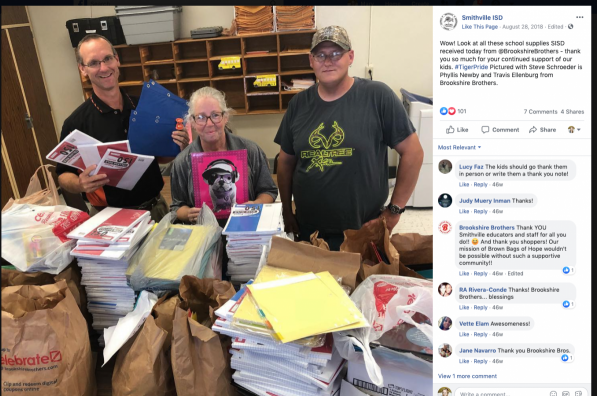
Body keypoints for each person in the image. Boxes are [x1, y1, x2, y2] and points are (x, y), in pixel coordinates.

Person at [275, 26, 424, 251]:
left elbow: (413, 152)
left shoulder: (377, 96)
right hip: (309, 231)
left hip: (363, 231)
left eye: (336, 53)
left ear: (350, 57)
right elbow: (285, 163)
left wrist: (393, 212)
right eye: (320, 55)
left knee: (361, 286)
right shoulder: (298, 105)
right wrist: (287, 212)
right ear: (311, 61)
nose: (328, 61)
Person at [56, 34, 189, 222]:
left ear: (117, 60)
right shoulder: (76, 123)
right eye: (93, 63)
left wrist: (178, 146)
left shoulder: (143, 108)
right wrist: (79, 183)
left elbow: (159, 157)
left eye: (107, 58)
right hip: (107, 218)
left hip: (155, 210)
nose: (103, 68)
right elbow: (63, 174)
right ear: (83, 69)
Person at [170, 87, 278, 225]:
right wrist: (187, 214)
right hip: (204, 236)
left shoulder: (250, 150)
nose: (209, 124)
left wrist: (256, 204)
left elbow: (268, 191)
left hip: (245, 229)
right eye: (201, 117)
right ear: (192, 122)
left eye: (215, 115)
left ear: (225, 117)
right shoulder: (182, 161)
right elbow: (176, 206)